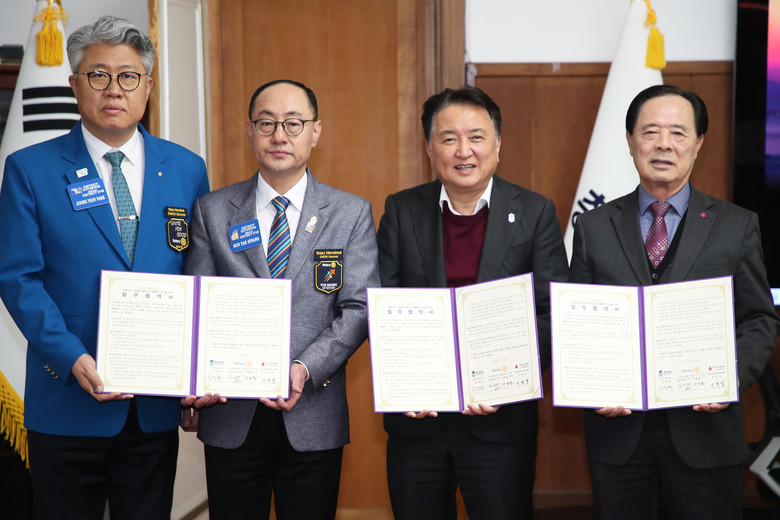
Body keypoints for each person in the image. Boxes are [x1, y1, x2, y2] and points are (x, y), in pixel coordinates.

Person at [0, 15, 209, 519]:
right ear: (74, 84)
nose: (114, 89)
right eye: (98, 75)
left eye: (129, 76)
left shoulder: (186, 168)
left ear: (148, 87)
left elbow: (199, 275)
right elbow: (18, 278)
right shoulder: (31, 169)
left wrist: (197, 371)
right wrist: (72, 357)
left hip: (154, 404)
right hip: (68, 399)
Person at [568, 84, 779, 519]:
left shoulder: (736, 226)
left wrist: (728, 378)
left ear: (699, 142)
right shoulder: (593, 227)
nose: (664, 144)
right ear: (630, 141)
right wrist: (593, 386)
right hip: (618, 433)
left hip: (706, 431)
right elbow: (575, 325)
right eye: (650, 131)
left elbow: (759, 318)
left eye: (678, 132)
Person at [183, 79, 379, 520]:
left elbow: (359, 308)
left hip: (313, 412)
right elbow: (197, 307)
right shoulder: (212, 211)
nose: (279, 136)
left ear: (315, 132)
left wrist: (304, 367)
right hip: (231, 413)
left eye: (293, 123)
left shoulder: (350, 213)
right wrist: (191, 381)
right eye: (266, 123)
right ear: (249, 131)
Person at [376, 86, 568, 519]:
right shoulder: (402, 210)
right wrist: (404, 381)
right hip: (417, 418)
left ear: (498, 144)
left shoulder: (535, 212)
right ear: (430, 148)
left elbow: (550, 311)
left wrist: (509, 380)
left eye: (477, 137)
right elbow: (381, 305)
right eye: (449, 138)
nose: (464, 151)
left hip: (500, 422)